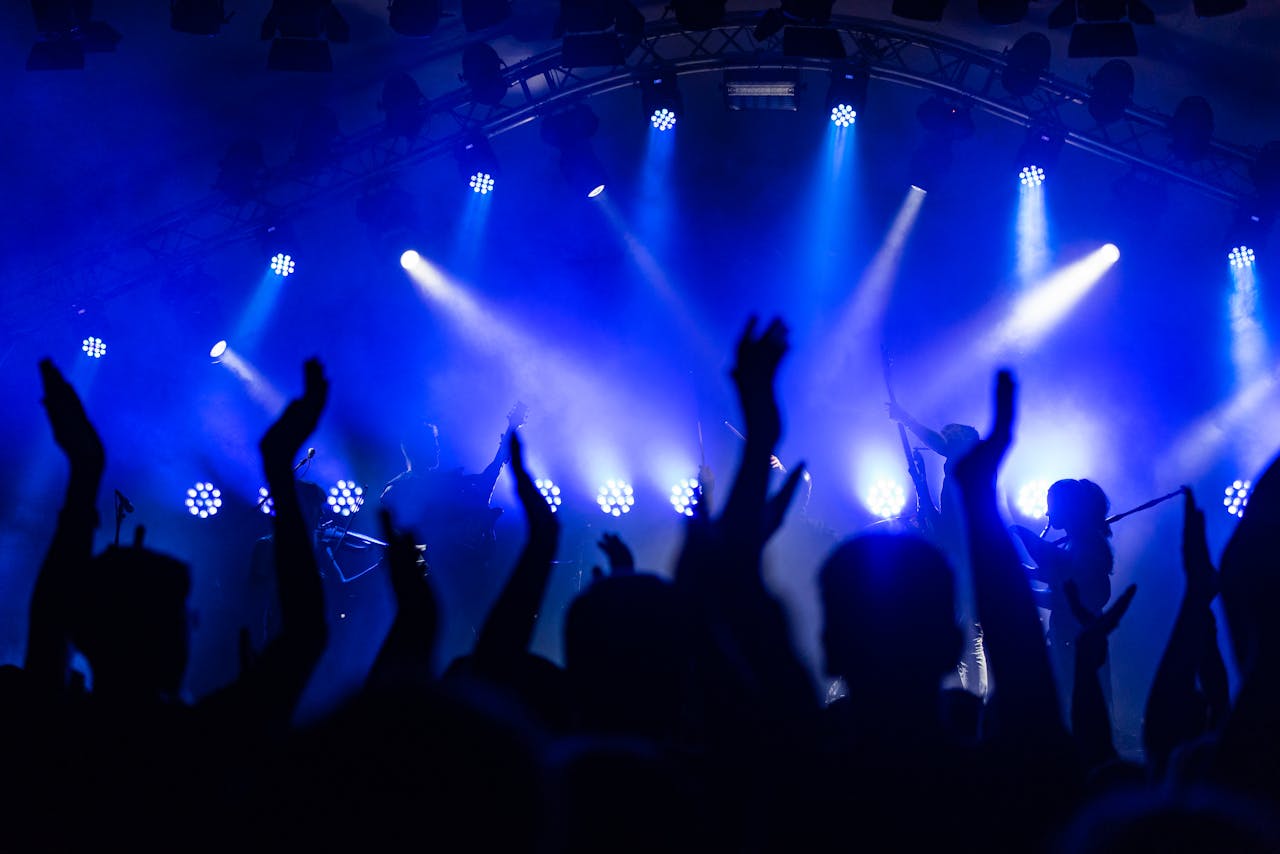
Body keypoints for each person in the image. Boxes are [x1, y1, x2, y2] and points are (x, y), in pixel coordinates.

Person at [380, 403, 526, 661]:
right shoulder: (399, 489)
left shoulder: (446, 485)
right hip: (430, 582)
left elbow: (486, 482)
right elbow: (406, 543)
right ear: (414, 448)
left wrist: (510, 431)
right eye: (431, 442)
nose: (437, 447)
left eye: (436, 441)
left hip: (460, 578)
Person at [1012, 478, 1115, 714]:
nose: (1047, 512)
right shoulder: (1078, 544)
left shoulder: (1088, 546)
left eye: (1052, 505)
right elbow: (1058, 582)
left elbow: (1064, 589)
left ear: (1067, 507)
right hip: (1069, 637)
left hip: (1078, 641)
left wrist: (1024, 584)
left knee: (1080, 705)